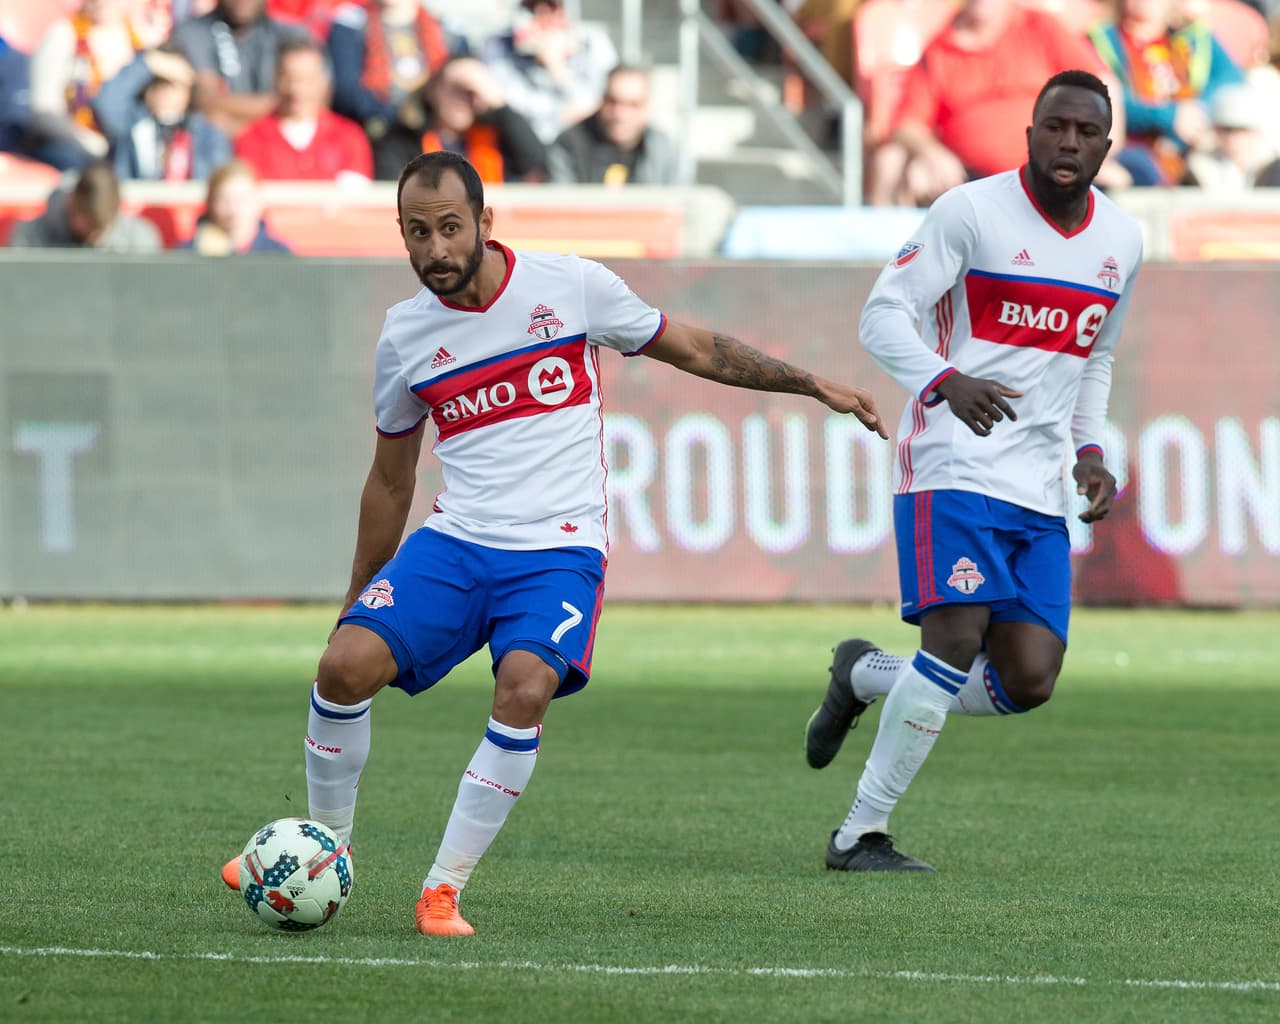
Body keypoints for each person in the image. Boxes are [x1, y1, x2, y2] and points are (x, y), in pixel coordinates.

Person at [218, 149, 888, 936]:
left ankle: (442, 891)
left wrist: (812, 384)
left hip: (558, 551)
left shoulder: (570, 287)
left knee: (526, 687)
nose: (434, 249)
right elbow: (392, 479)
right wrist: (358, 592)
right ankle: (325, 850)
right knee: (341, 670)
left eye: (449, 228)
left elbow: (696, 349)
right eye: (416, 233)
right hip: (457, 543)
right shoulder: (404, 337)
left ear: (485, 224)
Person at [803, 70, 1142, 871]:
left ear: (1106, 145)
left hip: (1037, 482)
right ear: (1028, 133)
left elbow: (1096, 357)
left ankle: (862, 673)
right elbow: (882, 314)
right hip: (950, 462)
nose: (1067, 142)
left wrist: (1090, 452)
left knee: (1029, 678)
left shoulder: (1121, 241)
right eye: (1054, 126)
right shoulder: (970, 212)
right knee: (954, 641)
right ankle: (860, 835)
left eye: (1085, 132)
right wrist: (942, 381)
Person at [867, 0, 1120, 207]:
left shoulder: (1039, 27)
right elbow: (906, 126)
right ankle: (895, 261)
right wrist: (932, 153)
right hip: (970, 180)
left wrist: (1103, 146)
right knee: (901, 166)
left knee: (1122, 177)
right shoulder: (939, 48)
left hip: (1052, 166)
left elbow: (1100, 81)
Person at [1088, 0, 1245, 186]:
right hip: (1133, 151)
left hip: (1191, 145)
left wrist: (1197, 110)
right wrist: (1169, 117)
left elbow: (1233, 81)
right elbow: (1098, 101)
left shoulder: (1190, 37)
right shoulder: (1102, 39)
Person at [370, 55, 546, 183]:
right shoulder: (403, 141)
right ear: (433, 91)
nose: (462, 100)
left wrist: (498, 103)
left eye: (471, 92)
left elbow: (535, 163)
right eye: (455, 89)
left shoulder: (499, 135)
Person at [234, 36, 372, 181]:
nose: (297, 90)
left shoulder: (350, 137)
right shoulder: (252, 139)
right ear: (275, 79)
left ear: (323, 82)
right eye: (289, 78)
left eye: (307, 79)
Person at [480, 0, 617, 145]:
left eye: (551, 6)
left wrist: (557, 69)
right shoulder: (498, 45)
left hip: (580, 144)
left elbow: (599, 102)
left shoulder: (593, 42)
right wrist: (561, 114)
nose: (541, 13)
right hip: (519, 146)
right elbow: (506, 105)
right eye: (531, 6)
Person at [170, 0, 309, 138]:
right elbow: (205, 100)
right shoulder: (192, 33)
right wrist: (279, 103)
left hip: (278, 143)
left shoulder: (292, 34)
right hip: (220, 140)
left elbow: (312, 98)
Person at [91, 44, 232, 180]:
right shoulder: (130, 126)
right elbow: (105, 103)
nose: (165, 93)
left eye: (172, 84)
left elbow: (215, 183)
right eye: (157, 84)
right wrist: (149, 62)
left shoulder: (208, 136)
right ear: (146, 91)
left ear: (188, 91)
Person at [547, 64, 679, 186]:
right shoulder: (569, 144)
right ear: (602, 100)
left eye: (633, 105)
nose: (620, 114)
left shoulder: (662, 149)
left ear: (647, 108)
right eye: (613, 102)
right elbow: (562, 204)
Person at [9, 158, 162, 250]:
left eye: (100, 230)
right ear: (71, 202)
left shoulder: (139, 242)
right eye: (90, 226)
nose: (94, 236)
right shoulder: (30, 238)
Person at [180, 157, 291, 253]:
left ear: (258, 201)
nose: (233, 209)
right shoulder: (187, 255)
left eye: (242, 199)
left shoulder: (279, 254)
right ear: (210, 203)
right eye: (224, 200)